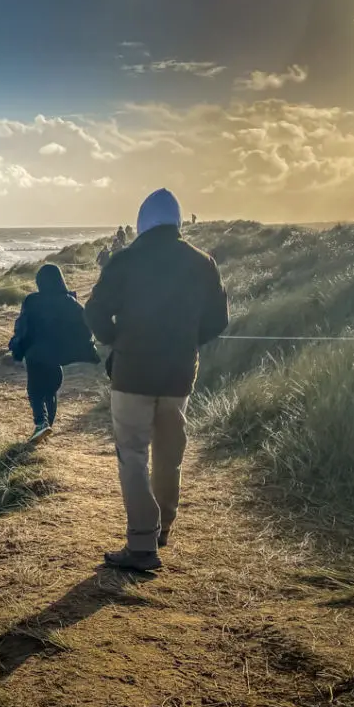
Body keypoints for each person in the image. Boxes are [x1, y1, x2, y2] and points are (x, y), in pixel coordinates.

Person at [84, 188, 229, 572]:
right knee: (169, 453)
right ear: (178, 221)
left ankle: (143, 544)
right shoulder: (203, 263)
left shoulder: (124, 261)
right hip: (179, 373)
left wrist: (115, 340)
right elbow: (219, 320)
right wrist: (186, 343)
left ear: (141, 222)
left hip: (132, 372)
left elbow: (95, 310)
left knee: (132, 454)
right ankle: (163, 527)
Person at [9, 264, 100, 444]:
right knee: (50, 391)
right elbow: (85, 329)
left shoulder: (32, 301)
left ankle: (41, 424)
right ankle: (46, 428)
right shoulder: (70, 302)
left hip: (36, 355)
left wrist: (17, 346)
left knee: (35, 391)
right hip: (57, 357)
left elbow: (23, 327)